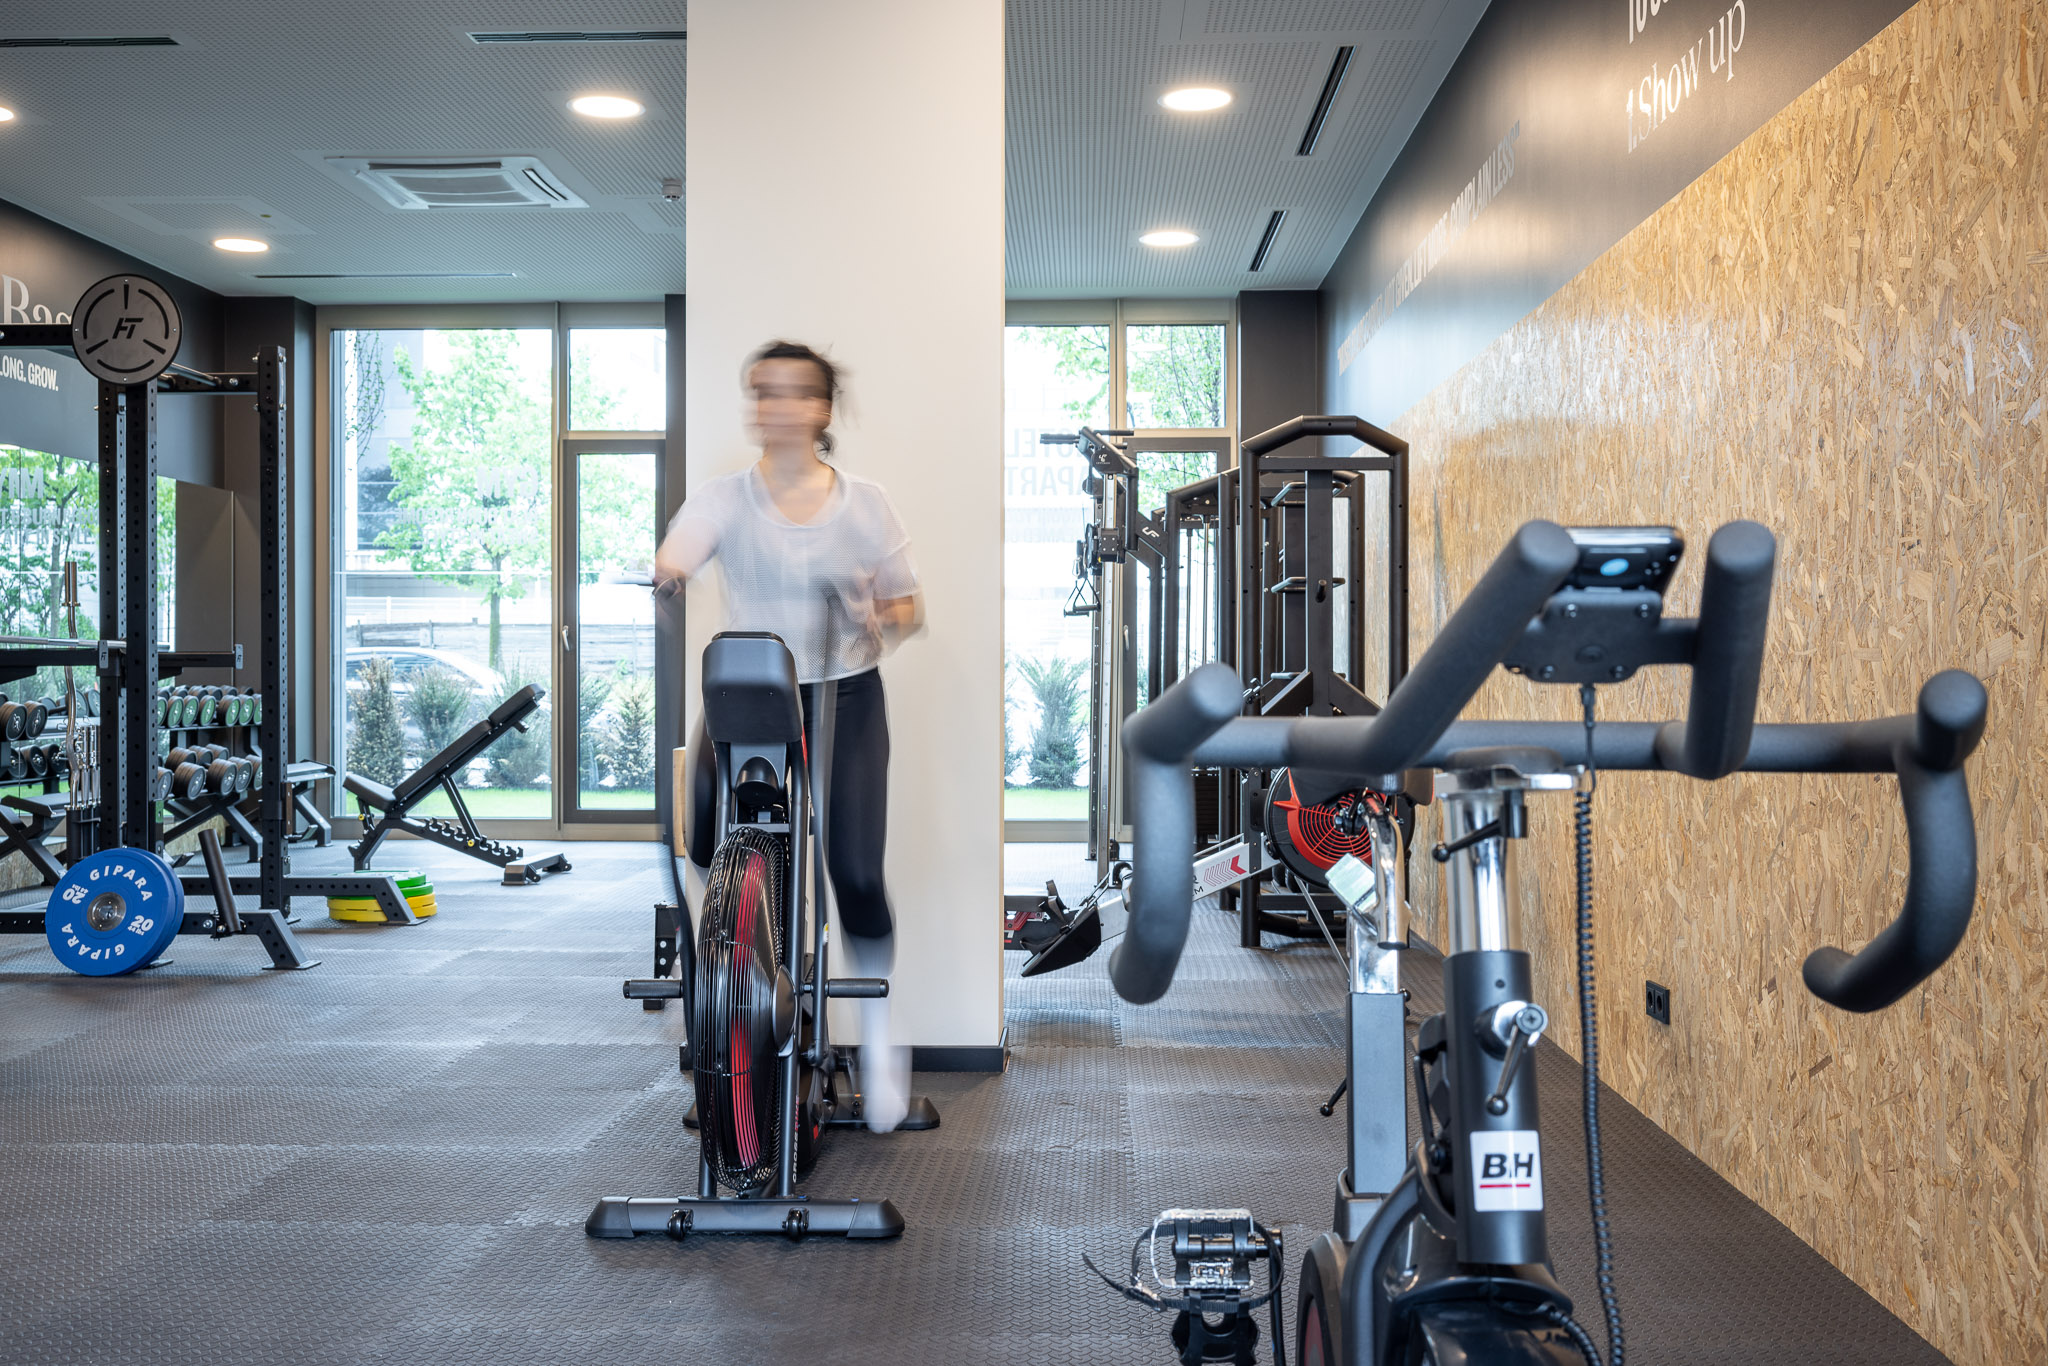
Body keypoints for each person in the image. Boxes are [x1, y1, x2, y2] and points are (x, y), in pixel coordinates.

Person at [655, 339, 922, 1133]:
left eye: (792, 393)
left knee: (853, 868)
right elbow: (678, 554)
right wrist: (666, 573)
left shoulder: (866, 503)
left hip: (845, 692)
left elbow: (910, 607)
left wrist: (879, 612)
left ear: (821, 410)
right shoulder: (724, 497)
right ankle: (740, 1025)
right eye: (761, 392)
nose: (774, 406)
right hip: (752, 693)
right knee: (708, 839)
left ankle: (877, 1027)